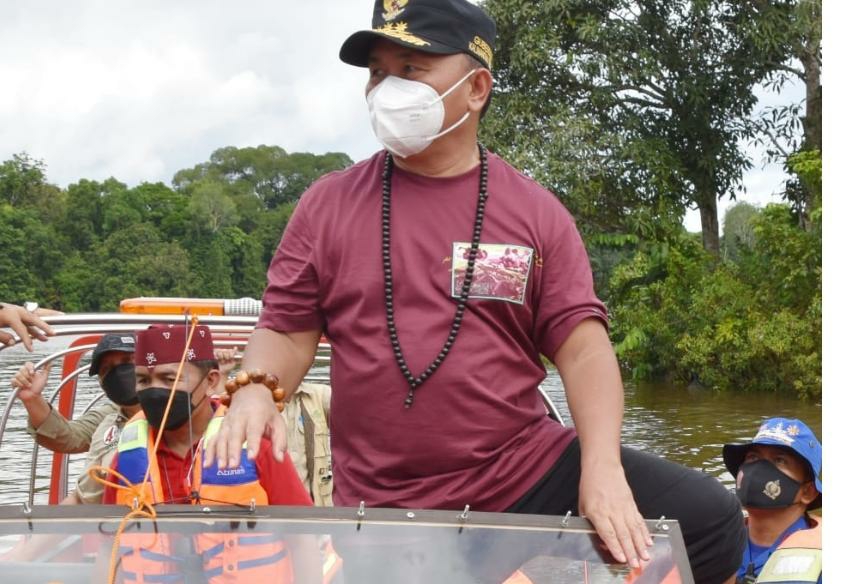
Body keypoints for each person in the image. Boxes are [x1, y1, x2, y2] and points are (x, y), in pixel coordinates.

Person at [205, 1, 745, 581]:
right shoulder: (328, 206)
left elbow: (584, 350)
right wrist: (257, 388)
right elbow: (286, 329)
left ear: (476, 88)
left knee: (709, 520)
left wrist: (602, 467)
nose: (387, 89)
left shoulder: (535, 214)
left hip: (523, 473)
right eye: (377, 72)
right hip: (389, 507)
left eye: (411, 70)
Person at [101, 324, 319, 583]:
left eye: (170, 379)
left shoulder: (255, 445)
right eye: (144, 380)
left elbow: (303, 537)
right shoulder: (125, 458)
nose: (155, 391)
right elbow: (108, 547)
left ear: (212, 381)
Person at [11, 333, 141, 503]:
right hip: (104, 521)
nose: (119, 373)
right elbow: (68, 437)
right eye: (106, 369)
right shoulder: (108, 419)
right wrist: (33, 399)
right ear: (101, 381)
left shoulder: (176, 415)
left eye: (127, 362)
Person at [723, 418, 822, 583]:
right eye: (753, 457)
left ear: (808, 492)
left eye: (779, 460)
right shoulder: (716, 538)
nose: (757, 470)